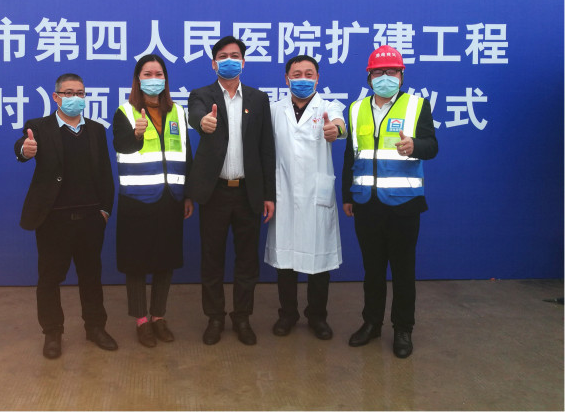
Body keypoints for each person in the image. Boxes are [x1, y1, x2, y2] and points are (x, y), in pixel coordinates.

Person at [342, 45, 438, 358]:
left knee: (403, 270)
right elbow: (351, 155)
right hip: (366, 203)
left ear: (401, 75)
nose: (386, 77)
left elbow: (432, 145)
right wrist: (347, 195)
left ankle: (403, 329)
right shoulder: (356, 109)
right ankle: (371, 323)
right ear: (369, 77)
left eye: (392, 71)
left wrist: (416, 146)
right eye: (379, 72)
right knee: (372, 270)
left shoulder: (416, 105)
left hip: (404, 205)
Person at [14, 73, 118, 359]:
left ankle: (95, 328)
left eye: (80, 93)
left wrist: (104, 210)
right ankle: (52, 333)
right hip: (53, 220)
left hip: (90, 219)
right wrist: (24, 150)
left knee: (91, 276)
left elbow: (105, 173)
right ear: (56, 97)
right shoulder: (39, 127)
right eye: (69, 93)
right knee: (49, 278)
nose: (75, 98)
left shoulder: (96, 130)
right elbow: (22, 147)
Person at [186, 36, 276, 346]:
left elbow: (266, 149)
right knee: (212, 258)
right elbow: (196, 115)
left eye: (235, 56)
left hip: (248, 192)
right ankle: (214, 317)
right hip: (215, 192)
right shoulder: (201, 95)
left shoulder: (258, 99)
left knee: (247, 259)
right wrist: (203, 122)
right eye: (222, 56)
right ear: (213, 64)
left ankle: (242, 317)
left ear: (244, 62)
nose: (229, 60)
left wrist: (268, 195)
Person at [112, 54, 194, 348]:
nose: (153, 79)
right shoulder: (125, 111)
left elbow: (186, 154)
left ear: (165, 79)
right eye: (147, 74)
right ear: (138, 79)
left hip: (171, 198)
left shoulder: (178, 112)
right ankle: (141, 321)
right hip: (137, 200)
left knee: (165, 261)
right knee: (136, 263)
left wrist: (188, 194)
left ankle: (159, 317)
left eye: (158, 74)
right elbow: (121, 146)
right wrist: (136, 135)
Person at [264, 55, 345, 340]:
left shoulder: (328, 106)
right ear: (286, 79)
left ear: (317, 78)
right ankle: (287, 314)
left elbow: (339, 125)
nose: (303, 79)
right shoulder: (274, 110)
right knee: (285, 260)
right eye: (296, 74)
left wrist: (335, 130)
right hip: (283, 193)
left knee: (318, 262)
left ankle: (317, 316)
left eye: (309, 74)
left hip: (315, 195)